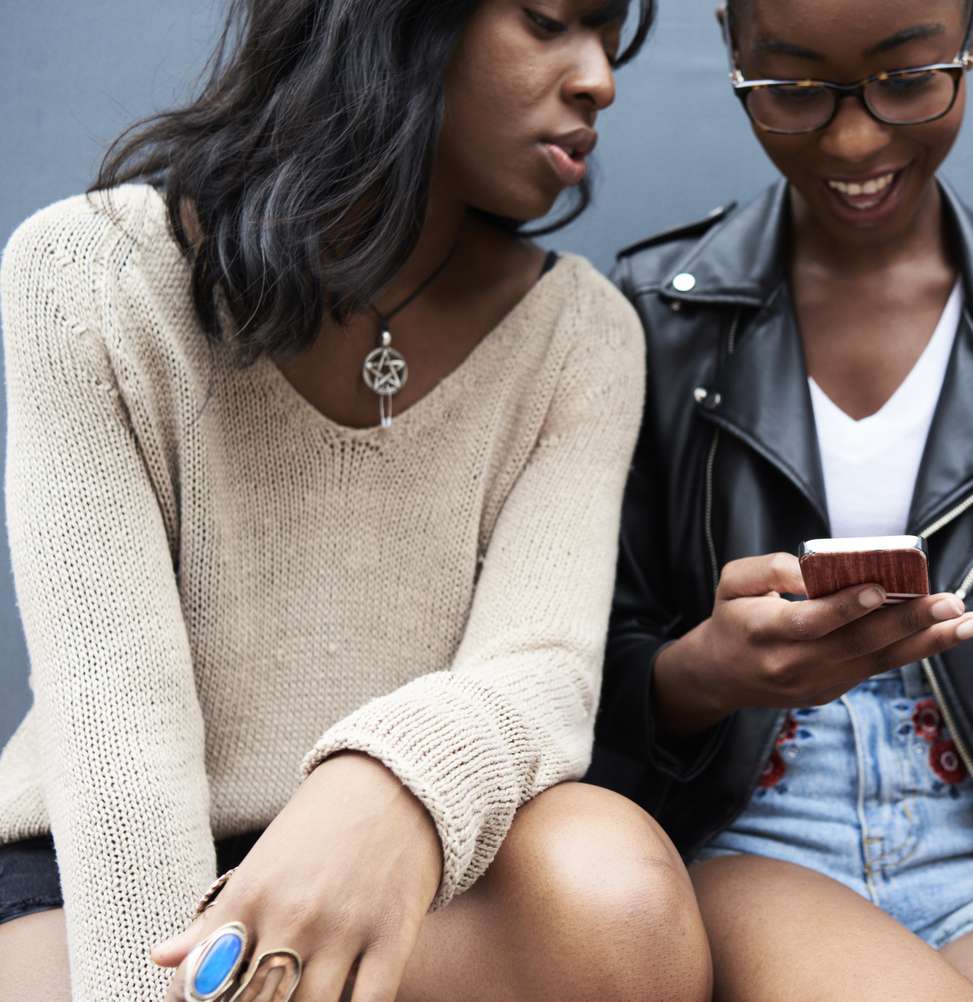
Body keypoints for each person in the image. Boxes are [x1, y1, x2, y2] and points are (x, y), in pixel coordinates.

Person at [0, 1, 714, 1000]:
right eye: (552, 20)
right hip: (111, 875)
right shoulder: (89, 275)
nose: (599, 78)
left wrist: (388, 785)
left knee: (618, 899)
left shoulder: (581, 334)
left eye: (607, 37)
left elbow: (543, 674)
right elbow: (118, 728)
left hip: (424, 861)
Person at [587, 0, 973, 998]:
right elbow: (590, 684)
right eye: (792, 90)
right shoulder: (655, 318)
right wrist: (711, 671)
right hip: (758, 826)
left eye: (907, 80)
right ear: (733, 47)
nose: (854, 138)